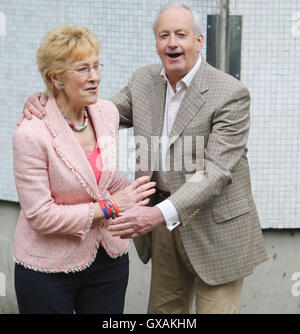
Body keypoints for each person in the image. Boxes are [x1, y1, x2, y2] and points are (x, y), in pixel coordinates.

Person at [21, 3, 268, 314]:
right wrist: (48, 99)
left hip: (215, 227)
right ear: (156, 44)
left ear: (199, 41)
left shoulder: (230, 93)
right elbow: (96, 112)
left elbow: (215, 172)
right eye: (164, 35)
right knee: (163, 314)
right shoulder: (144, 80)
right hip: (165, 227)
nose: (172, 43)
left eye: (181, 34)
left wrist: (155, 215)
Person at [13, 24, 156, 314]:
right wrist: (111, 207)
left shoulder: (107, 113)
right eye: (82, 69)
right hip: (48, 270)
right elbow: (41, 216)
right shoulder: (30, 134)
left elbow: (101, 177)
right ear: (56, 77)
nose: (95, 77)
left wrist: (132, 195)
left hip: (108, 262)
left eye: (96, 66)